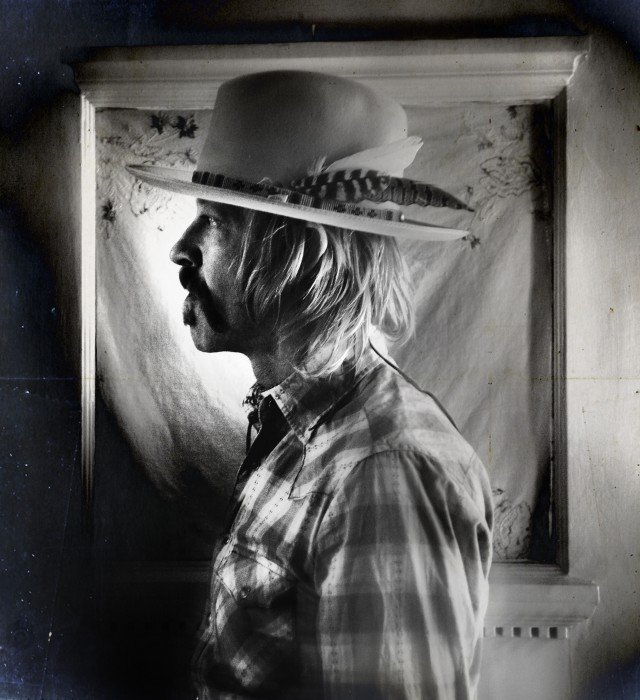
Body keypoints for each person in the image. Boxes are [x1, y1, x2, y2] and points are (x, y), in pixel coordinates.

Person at [129, 70, 493, 700]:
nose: (181, 250)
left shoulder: (381, 470)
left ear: (299, 255)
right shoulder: (299, 428)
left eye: (214, 220)